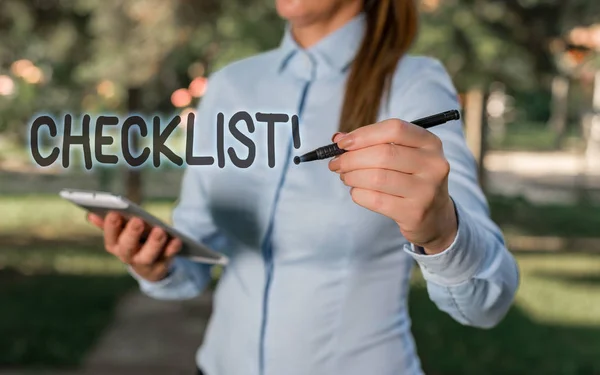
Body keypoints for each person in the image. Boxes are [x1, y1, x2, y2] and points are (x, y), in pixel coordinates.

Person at [87, 1, 520, 374]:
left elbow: (488, 301)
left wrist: (442, 233)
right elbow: (196, 257)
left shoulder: (413, 84)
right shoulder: (230, 86)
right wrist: (156, 262)